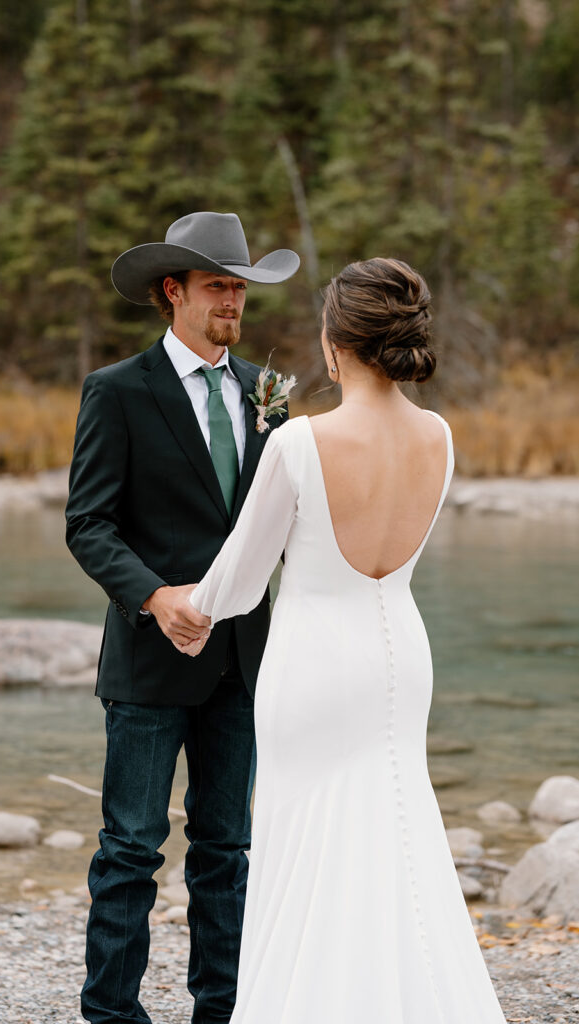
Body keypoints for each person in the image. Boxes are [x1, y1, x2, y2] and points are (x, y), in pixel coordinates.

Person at [180, 258, 508, 1023]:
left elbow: (236, 582)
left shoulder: (300, 444)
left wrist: (179, 606)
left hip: (315, 662)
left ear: (335, 346)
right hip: (400, 650)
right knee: (396, 827)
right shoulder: (439, 436)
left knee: (306, 842)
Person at [64, 210, 299, 1024]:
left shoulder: (261, 396)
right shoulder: (117, 391)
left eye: (239, 288)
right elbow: (88, 523)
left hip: (242, 661)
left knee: (226, 852)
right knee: (130, 849)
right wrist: (156, 596)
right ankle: (111, 1014)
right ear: (174, 292)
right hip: (148, 657)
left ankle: (222, 1010)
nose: (233, 301)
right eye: (218, 286)